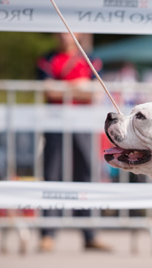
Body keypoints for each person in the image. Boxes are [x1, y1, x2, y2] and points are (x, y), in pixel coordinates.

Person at [37, 33, 110, 252]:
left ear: (78, 34)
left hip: (83, 125)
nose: (63, 36)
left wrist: (63, 89)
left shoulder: (91, 59)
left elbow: (94, 91)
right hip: (55, 124)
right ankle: (48, 233)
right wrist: (78, 87)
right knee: (52, 175)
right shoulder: (47, 59)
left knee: (86, 175)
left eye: (68, 31)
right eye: (59, 32)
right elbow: (48, 90)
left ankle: (89, 234)